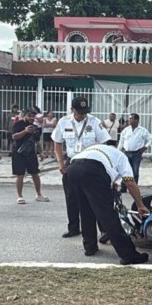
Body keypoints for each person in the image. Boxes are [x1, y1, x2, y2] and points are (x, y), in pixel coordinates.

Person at [67, 144, 150, 265]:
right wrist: (140, 205)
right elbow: (130, 183)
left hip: (73, 168)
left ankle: (90, 247)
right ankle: (129, 255)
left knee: (86, 210)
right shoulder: (122, 157)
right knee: (107, 214)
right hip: (93, 170)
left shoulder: (100, 150)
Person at [52, 96, 111, 238]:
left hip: (91, 163)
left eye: (84, 112)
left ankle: (104, 230)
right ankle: (73, 228)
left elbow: (105, 143)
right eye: (79, 112)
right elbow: (57, 143)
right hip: (72, 163)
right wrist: (60, 163)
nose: (82, 115)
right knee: (71, 197)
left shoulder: (95, 122)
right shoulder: (64, 122)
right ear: (72, 110)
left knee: (96, 198)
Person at [11, 109, 50, 204]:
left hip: (31, 153)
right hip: (19, 153)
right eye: (29, 116)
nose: (31, 118)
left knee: (35, 173)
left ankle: (39, 194)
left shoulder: (36, 127)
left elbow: (37, 141)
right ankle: (19, 196)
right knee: (20, 174)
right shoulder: (18, 124)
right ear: (24, 116)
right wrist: (25, 131)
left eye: (33, 116)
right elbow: (14, 137)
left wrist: (41, 153)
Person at [118, 113, 152, 190]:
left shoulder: (142, 130)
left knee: (135, 171)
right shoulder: (126, 130)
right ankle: (124, 187)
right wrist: (118, 151)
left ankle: (134, 188)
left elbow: (150, 139)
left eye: (131, 118)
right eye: (129, 118)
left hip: (136, 153)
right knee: (126, 171)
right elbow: (121, 141)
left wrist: (144, 147)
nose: (129, 120)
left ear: (136, 120)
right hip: (126, 153)